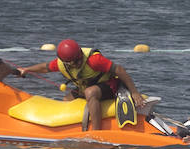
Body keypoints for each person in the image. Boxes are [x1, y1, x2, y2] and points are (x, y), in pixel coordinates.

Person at [17, 39, 145, 131]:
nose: (79, 62)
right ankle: (73, 128)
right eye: (75, 62)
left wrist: (134, 92)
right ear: (66, 62)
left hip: (110, 86)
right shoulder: (61, 63)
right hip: (86, 88)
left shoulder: (94, 60)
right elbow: (45, 68)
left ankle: (97, 132)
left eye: (79, 59)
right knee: (67, 99)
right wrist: (27, 69)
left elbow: (120, 70)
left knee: (90, 92)